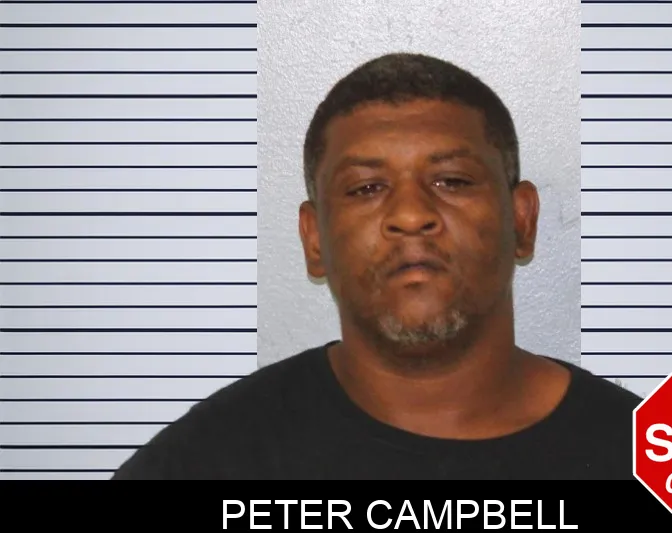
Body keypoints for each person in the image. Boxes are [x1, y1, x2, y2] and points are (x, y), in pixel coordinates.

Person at [113, 52, 642, 480]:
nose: (410, 215)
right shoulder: (207, 462)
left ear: (522, 220)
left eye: (452, 180)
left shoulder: (658, 459)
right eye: (366, 188)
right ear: (314, 238)